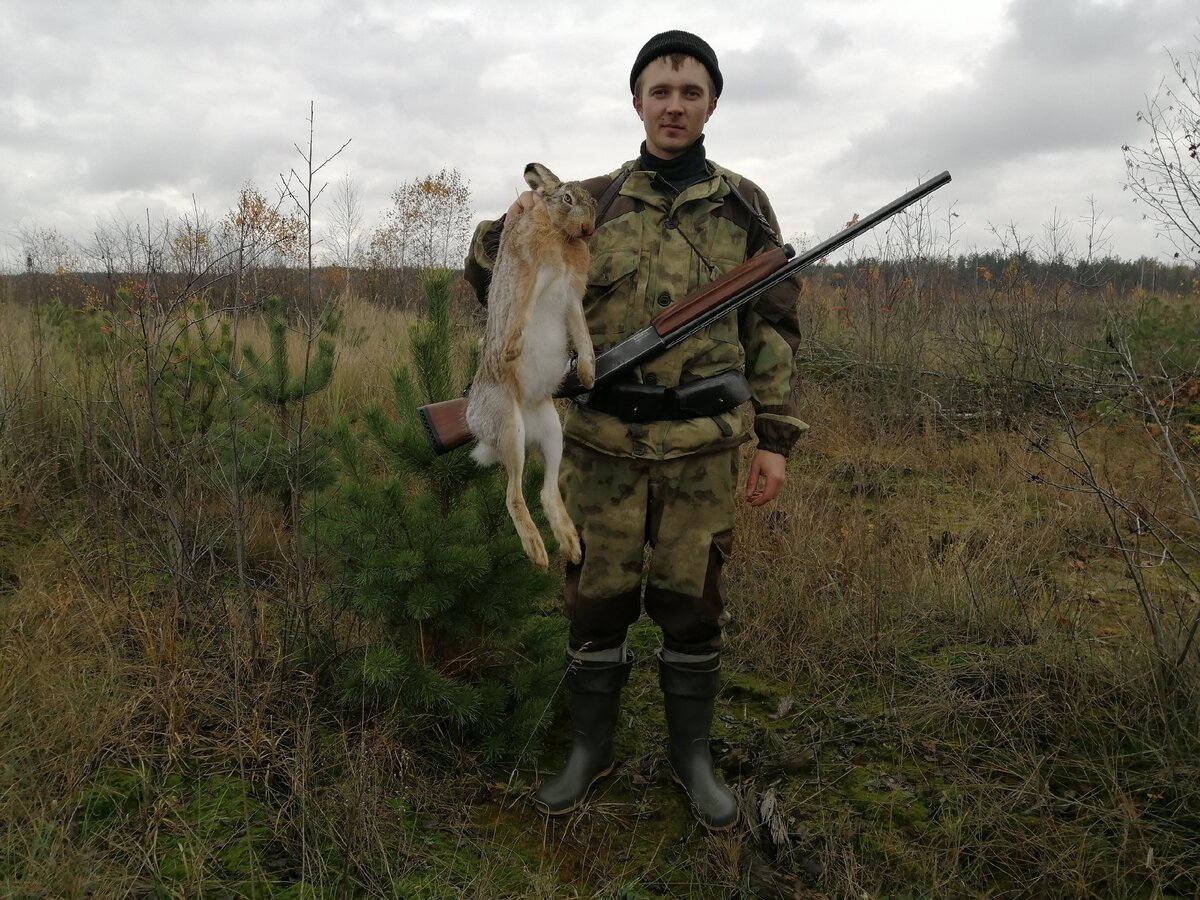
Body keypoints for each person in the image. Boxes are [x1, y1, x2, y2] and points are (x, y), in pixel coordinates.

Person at [463, 30, 806, 831]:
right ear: (637, 102)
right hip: (602, 449)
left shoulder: (746, 207)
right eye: (660, 90)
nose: (675, 104)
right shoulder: (590, 202)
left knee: (693, 608)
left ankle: (692, 760)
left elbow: (775, 330)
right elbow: (489, 282)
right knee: (595, 605)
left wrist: (775, 440)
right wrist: (501, 228)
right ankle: (590, 752)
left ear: (712, 102)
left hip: (706, 451)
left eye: (691, 91)